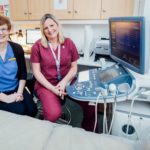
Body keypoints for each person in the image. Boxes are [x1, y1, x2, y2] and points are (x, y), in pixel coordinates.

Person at [30, 13, 98, 132]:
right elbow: (37, 73)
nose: (50, 30)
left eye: (52, 25)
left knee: (91, 104)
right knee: (53, 114)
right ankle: (45, 134)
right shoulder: (37, 46)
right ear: (42, 30)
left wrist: (63, 83)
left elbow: (74, 68)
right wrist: (53, 88)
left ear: (57, 25)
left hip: (68, 81)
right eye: (46, 28)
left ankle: (90, 133)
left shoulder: (68, 43)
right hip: (46, 84)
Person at [0, 15, 37, 117]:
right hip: (1, 92)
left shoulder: (17, 48)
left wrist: (19, 93)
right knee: (20, 111)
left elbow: (23, 74)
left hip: (16, 87)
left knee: (32, 111)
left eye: (3, 29)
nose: (0, 33)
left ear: (9, 30)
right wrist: (5, 98)